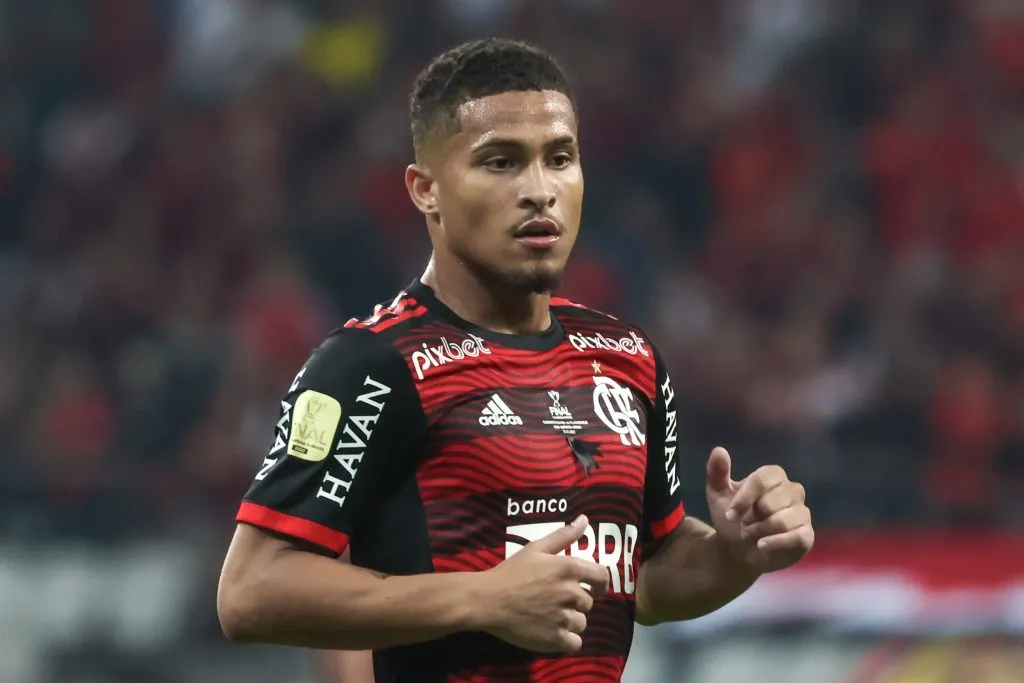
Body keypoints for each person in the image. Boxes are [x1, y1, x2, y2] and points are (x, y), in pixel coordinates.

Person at [217, 38, 815, 683]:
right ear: (426, 191)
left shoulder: (629, 360)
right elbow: (251, 591)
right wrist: (482, 597)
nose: (540, 191)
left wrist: (737, 552)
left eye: (560, 159)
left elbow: (647, 583)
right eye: (500, 162)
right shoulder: (371, 365)